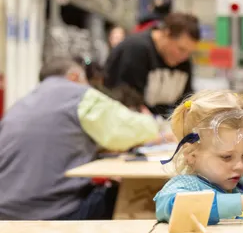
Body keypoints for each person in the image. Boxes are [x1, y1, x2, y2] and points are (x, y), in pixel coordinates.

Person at [0, 57, 161, 220]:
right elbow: (131, 130)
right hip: (54, 212)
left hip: (6, 213)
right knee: (134, 196)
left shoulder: (19, 105)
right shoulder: (79, 96)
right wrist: (155, 125)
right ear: (75, 77)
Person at [154, 90, 243, 225]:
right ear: (191, 155)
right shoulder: (185, 187)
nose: (240, 165)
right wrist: (242, 203)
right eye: (226, 157)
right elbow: (174, 208)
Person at [104, 12, 200, 118]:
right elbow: (124, 99)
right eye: (181, 49)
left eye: (189, 52)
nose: (184, 57)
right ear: (166, 34)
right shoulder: (135, 50)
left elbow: (186, 100)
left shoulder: (183, 62)